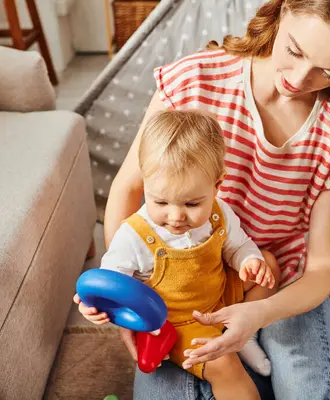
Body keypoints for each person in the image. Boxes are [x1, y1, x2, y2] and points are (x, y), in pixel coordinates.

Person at [104, 0, 330, 399]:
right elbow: (128, 190)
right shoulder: (194, 82)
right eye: (294, 51)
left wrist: (259, 314)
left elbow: (320, 269)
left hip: (284, 290)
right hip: (185, 283)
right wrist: (129, 297)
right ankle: (318, 343)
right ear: (281, 12)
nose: (298, 78)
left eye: (328, 71)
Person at [75, 109, 279, 400]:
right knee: (224, 365)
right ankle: (232, 346)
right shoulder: (134, 235)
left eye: (192, 203)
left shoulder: (221, 213)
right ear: (145, 183)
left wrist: (249, 261)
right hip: (176, 322)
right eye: (160, 201)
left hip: (218, 298)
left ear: (217, 186)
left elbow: (238, 246)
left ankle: (244, 332)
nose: (175, 216)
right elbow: (111, 284)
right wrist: (92, 304)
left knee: (269, 266)